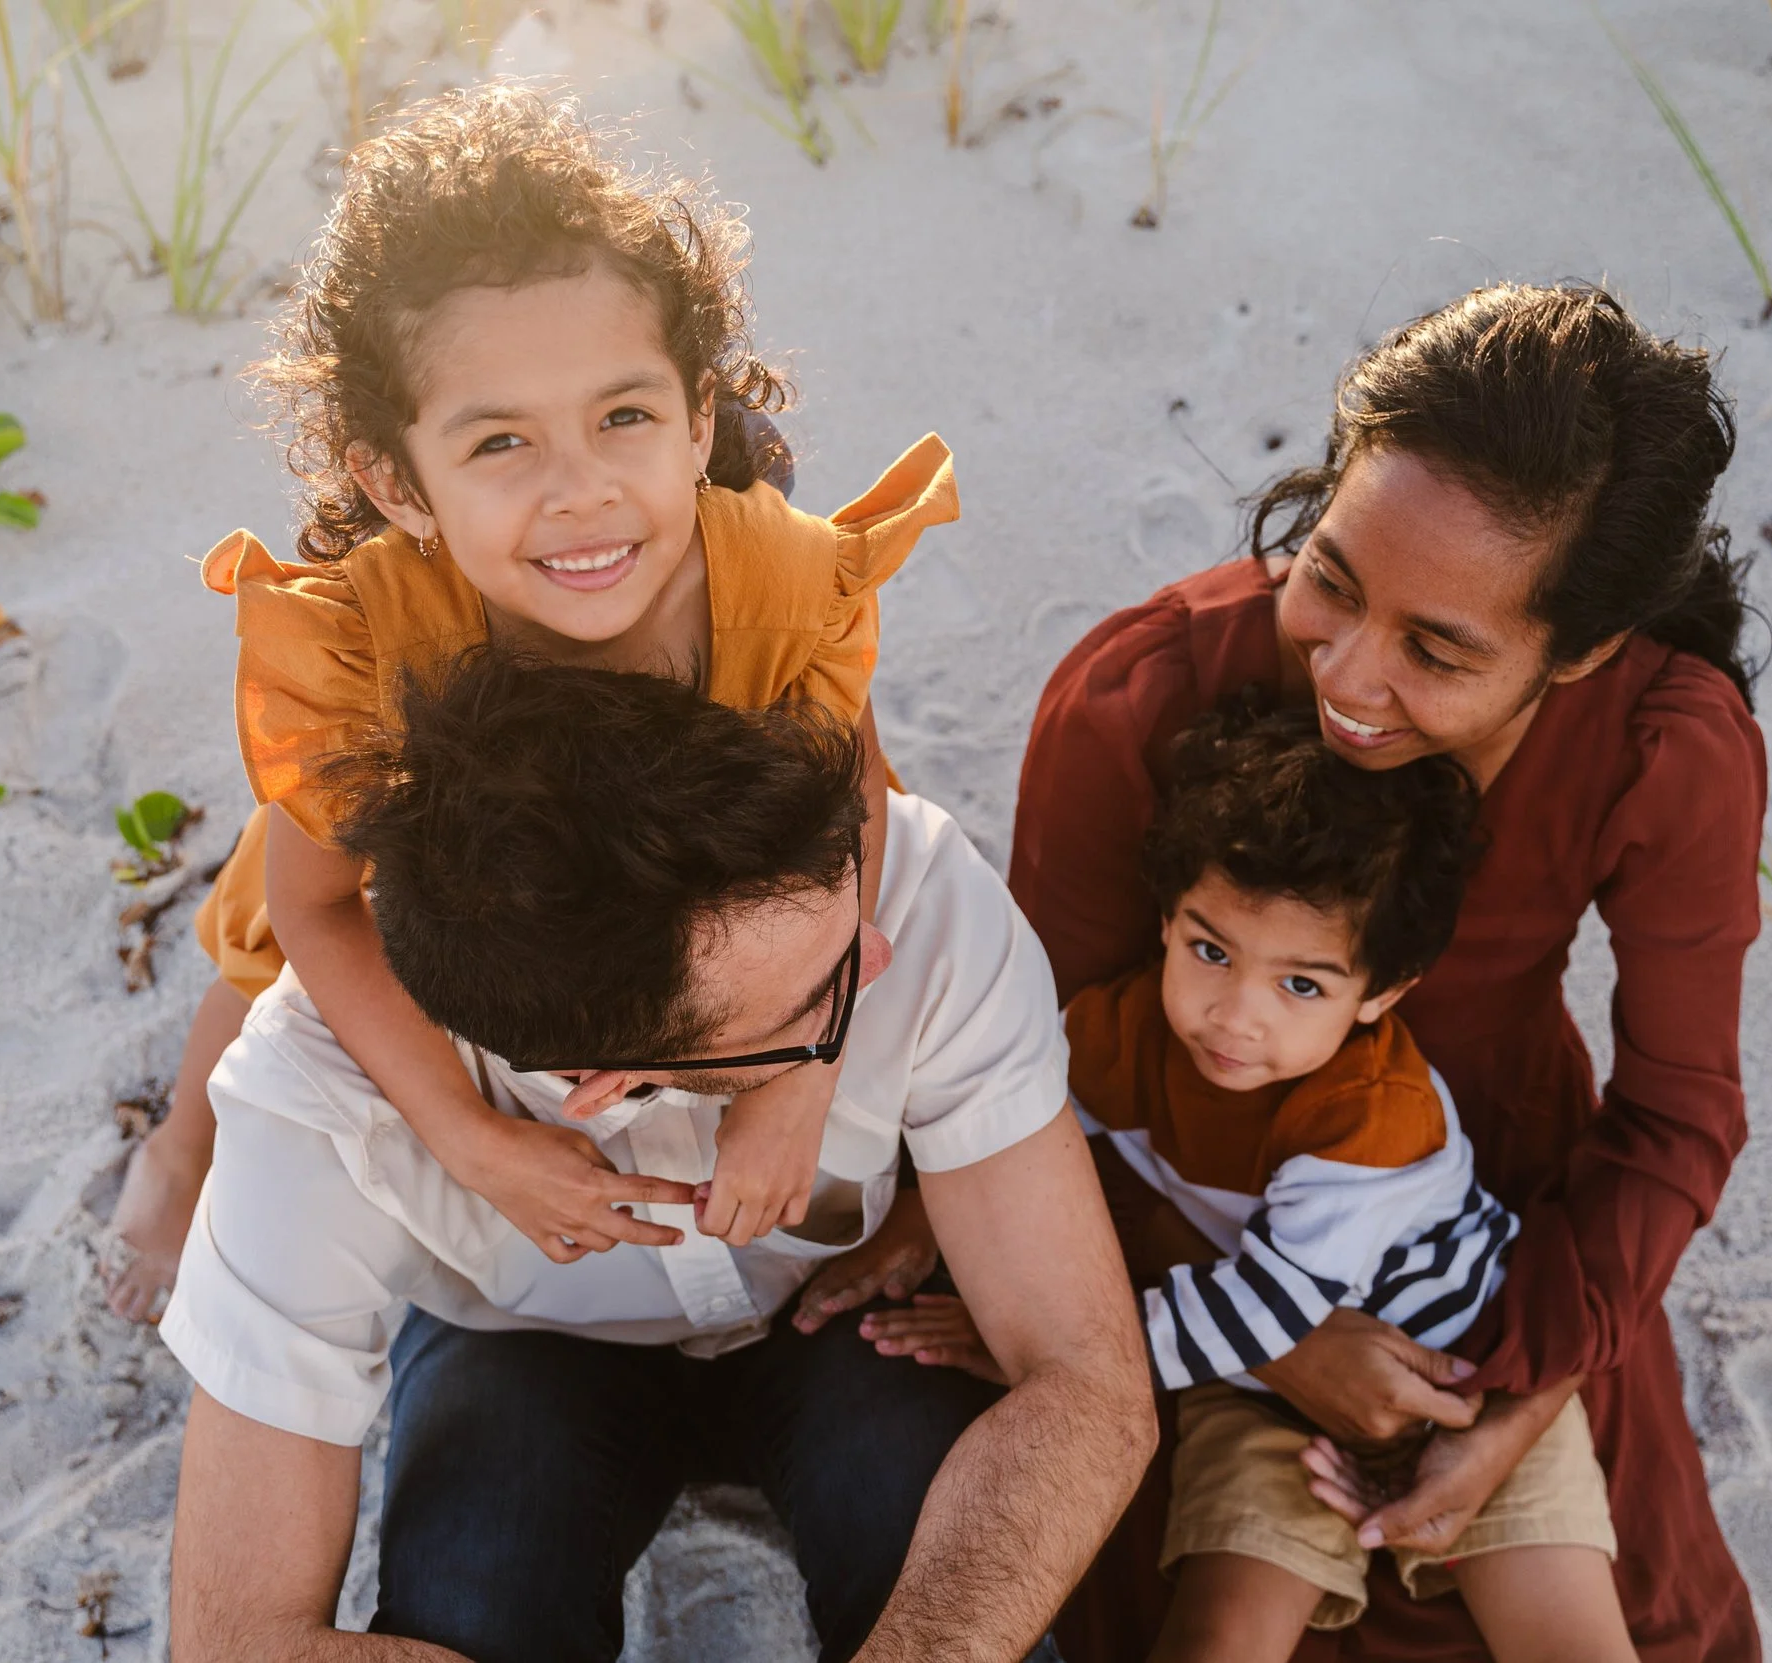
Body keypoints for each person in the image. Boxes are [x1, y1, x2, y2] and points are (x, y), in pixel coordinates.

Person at [105, 84, 961, 1322]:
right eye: (499, 443)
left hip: (648, 843)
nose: (581, 492)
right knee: (260, 957)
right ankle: (180, 1146)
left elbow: (857, 806)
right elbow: (315, 909)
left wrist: (797, 1078)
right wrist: (468, 1136)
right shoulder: (366, 653)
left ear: (696, 416)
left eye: (624, 416)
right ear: (398, 482)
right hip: (430, 866)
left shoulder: (780, 588)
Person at [1010, 284, 1768, 1661]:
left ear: (1583, 650)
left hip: (1505, 1263)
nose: (1347, 676)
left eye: (1438, 648)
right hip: (1185, 1221)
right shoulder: (1138, 696)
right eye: (1334, 578)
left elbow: (1678, 1119)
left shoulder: (1665, 747)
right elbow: (1021, 1086)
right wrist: (1281, 1344)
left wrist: (1518, 1394)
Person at [160, 649, 1156, 1663]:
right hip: (520, 1338)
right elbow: (239, 1642)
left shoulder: (917, 899)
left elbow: (1092, 1388)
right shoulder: (313, 1102)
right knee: (473, 1606)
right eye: (820, 1003)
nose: (878, 959)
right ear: (607, 1083)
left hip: (837, 1308)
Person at [853, 701, 1638, 1663]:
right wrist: (929, 1203)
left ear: (1382, 995)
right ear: (1168, 921)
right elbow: (1008, 1110)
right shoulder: (1124, 1029)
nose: (1235, 1015)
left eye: (1301, 984)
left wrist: (1053, 1353)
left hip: (1461, 1378)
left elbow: (1263, 1306)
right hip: (1253, 1388)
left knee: (1574, 1643)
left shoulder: (1373, 1116)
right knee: (1218, 1637)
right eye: (1211, 950)